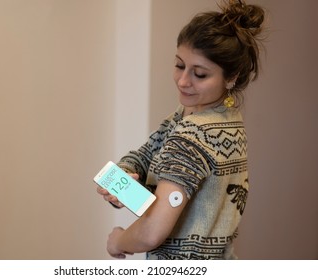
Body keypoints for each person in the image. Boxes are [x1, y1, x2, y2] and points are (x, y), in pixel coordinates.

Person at [97, 0, 266, 260]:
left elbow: (153, 231)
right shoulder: (222, 117)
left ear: (231, 77)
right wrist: (125, 173)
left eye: (200, 74)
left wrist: (118, 240)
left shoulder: (193, 136)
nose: (184, 81)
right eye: (179, 65)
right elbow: (150, 151)